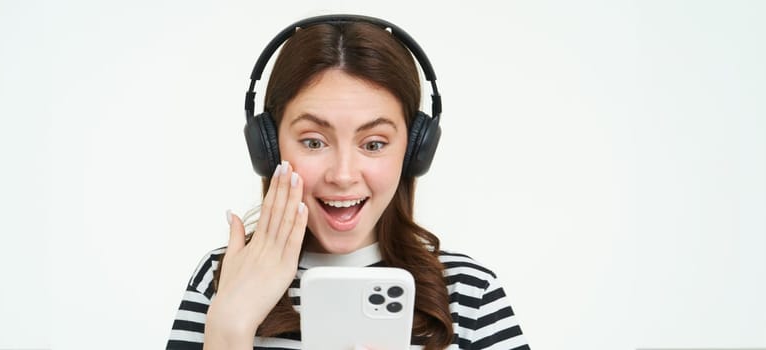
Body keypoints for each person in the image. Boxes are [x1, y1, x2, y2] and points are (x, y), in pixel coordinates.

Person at [167, 14, 530, 350]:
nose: (342, 175)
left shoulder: (470, 293)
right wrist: (230, 327)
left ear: (414, 151)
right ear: (270, 147)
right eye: (313, 142)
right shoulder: (222, 280)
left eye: (373, 144)